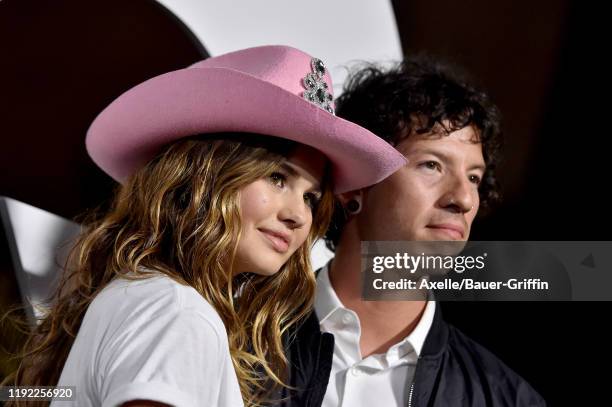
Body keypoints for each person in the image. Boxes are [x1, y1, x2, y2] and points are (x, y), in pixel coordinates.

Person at [2, 45, 406, 407]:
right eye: (278, 178)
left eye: (310, 197)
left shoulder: (146, 297)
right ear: (205, 175)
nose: (298, 215)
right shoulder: (176, 314)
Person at [278, 55, 546, 406]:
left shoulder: (507, 399)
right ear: (353, 184)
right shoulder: (236, 339)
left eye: (474, 178)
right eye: (432, 165)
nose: (464, 199)